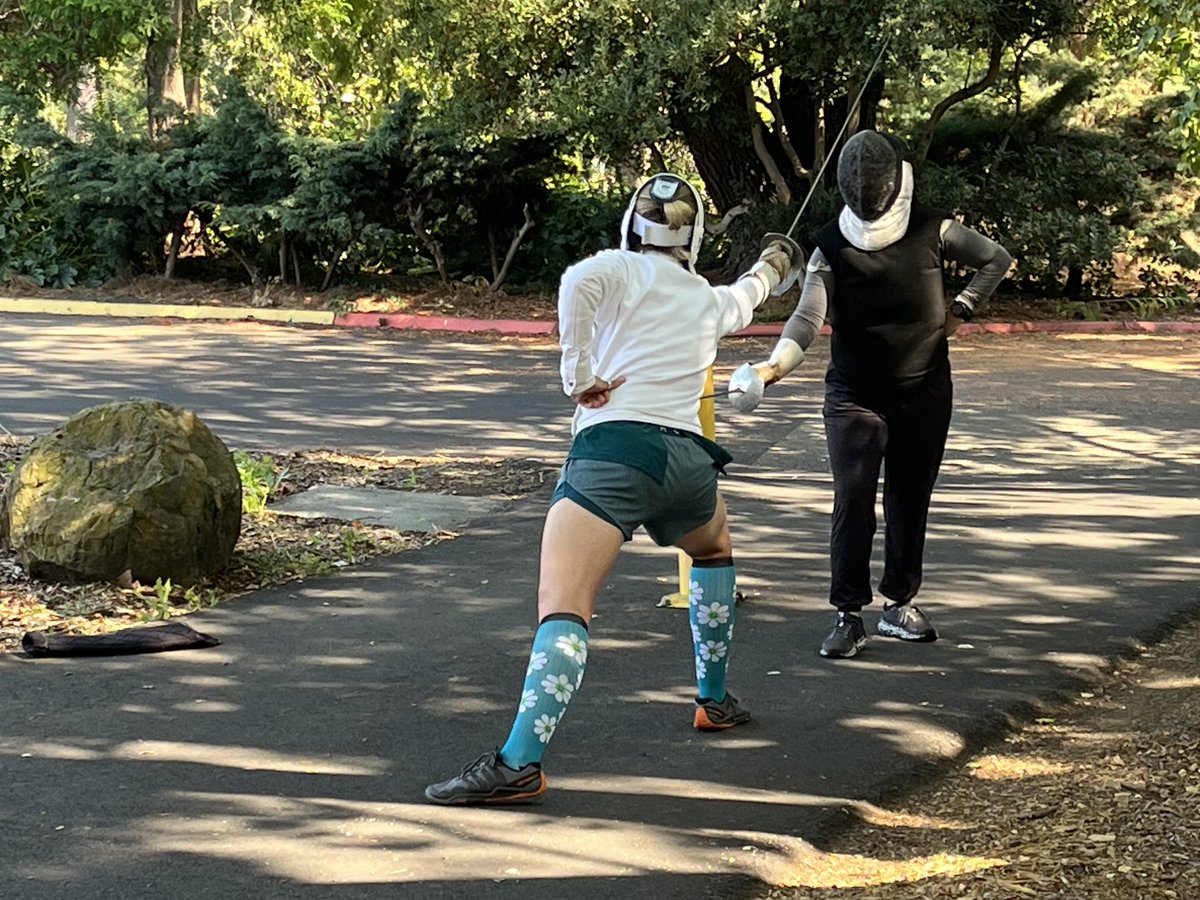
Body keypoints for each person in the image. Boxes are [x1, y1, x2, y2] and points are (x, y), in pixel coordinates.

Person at [424, 173, 794, 805]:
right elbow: (750, 293)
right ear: (693, 241)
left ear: (631, 227)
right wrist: (775, 262)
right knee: (712, 550)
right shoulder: (706, 299)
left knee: (564, 603)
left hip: (615, 456)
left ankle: (519, 763)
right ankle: (713, 700)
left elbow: (576, 282)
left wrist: (579, 376)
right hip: (688, 465)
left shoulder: (618, 268)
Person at [742, 130, 1012, 659]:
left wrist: (961, 310)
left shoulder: (935, 228)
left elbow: (995, 259)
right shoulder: (830, 245)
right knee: (853, 499)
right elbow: (808, 317)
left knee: (910, 498)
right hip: (854, 395)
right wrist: (773, 367)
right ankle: (848, 614)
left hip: (924, 390)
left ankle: (899, 604)